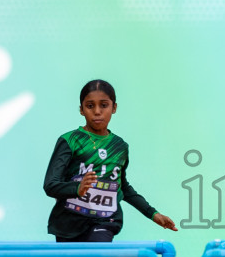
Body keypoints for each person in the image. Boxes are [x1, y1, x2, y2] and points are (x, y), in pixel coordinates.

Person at [43, 79, 177, 242]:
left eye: (104, 105)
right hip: (68, 225)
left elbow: (123, 187)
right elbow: (50, 185)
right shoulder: (70, 141)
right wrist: (77, 188)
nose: (97, 111)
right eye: (90, 106)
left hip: (105, 221)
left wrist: (153, 214)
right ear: (81, 110)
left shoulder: (119, 146)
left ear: (114, 108)